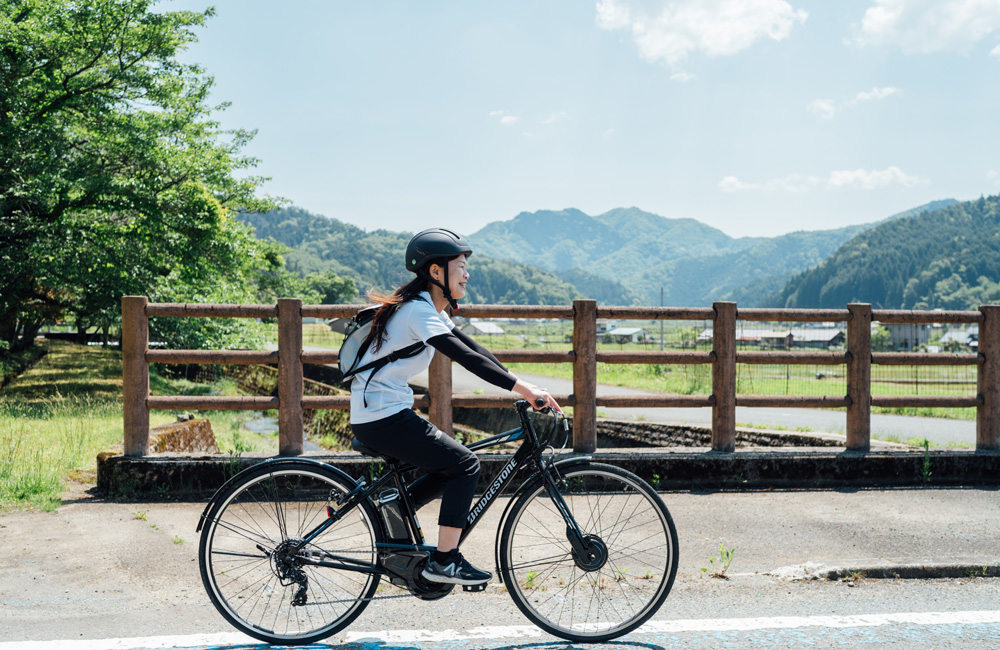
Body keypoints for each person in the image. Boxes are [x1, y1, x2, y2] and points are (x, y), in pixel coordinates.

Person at [349, 227, 561, 586]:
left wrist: (524, 385)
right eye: (460, 265)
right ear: (436, 272)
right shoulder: (419, 312)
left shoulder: (425, 308)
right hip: (382, 417)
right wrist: (524, 390)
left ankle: (396, 507)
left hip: (381, 413)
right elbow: (463, 357)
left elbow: (477, 350)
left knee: (451, 464)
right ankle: (444, 561)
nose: (467, 273)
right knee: (464, 465)